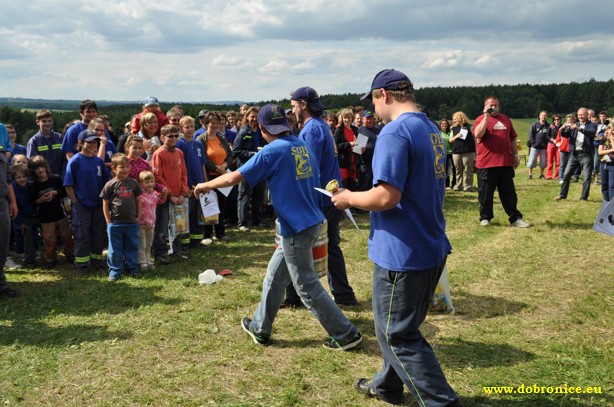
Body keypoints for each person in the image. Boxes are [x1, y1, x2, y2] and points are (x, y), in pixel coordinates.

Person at [331, 68, 459, 406]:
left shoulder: (394, 132)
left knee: (396, 334)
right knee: (401, 325)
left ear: (383, 95)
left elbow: (386, 197)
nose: (372, 111)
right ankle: (387, 385)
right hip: (429, 242)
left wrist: (348, 198)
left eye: (372, 101)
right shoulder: (429, 128)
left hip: (403, 252)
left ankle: (440, 401)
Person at [194, 104, 362, 351]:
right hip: (310, 219)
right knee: (274, 276)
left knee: (306, 285)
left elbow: (234, 177)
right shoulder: (301, 145)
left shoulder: (271, 151)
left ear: (261, 128)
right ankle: (260, 328)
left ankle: (346, 334)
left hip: (296, 226)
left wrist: (204, 186)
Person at [290, 86, 358, 307]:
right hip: (330, 194)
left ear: (303, 104)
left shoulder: (311, 131)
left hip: (318, 198)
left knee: (300, 247)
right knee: (331, 245)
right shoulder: (320, 127)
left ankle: (296, 295)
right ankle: (343, 295)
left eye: (293, 106)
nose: (292, 112)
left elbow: (307, 169)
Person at [473, 96, 529, 227]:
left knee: (509, 193)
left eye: (495, 104)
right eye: (490, 105)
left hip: (505, 162)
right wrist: (486, 116)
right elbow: (478, 134)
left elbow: (512, 139)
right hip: (486, 163)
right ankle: (485, 217)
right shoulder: (480, 119)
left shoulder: (505, 119)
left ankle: (515, 218)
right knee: (486, 193)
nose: (493, 107)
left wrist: (515, 155)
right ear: (485, 106)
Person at [64, 130, 111, 273]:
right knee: (82, 235)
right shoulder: (75, 161)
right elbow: (68, 185)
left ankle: (96, 261)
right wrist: (76, 202)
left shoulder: (98, 161)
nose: (92, 145)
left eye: (95, 142)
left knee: (98, 234)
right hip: (82, 206)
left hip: (98, 205)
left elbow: (106, 182)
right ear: (80, 143)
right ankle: (82, 265)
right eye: (89, 142)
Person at [151, 125, 189, 264]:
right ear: (162, 138)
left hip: (179, 197)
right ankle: (160, 253)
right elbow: (157, 176)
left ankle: (177, 250)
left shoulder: (179, 152)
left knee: (178, 224)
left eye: (175, 136)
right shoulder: (159, 153)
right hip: (165, 197)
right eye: (170, 136)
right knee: (162, 226)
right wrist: (170, 195)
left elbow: (184, 173)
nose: (173, 138)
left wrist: (183, 193)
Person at [100, 153, 142, 281]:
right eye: (122, 167)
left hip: (132, 223)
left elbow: (139, 201)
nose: (125, 170)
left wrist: (139, 217)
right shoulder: (110, 185)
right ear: (114, 168)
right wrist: (108, 222)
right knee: (114, 249)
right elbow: (105, 204)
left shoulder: (134, 183)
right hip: (116, 224)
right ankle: (115, 271)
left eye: (127, 166)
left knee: (132, 246)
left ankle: (132, 268)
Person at [28, 156, 74, 269]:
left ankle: (70, 254)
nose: (40, 170)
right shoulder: (34, 185)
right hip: (45, 217)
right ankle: (50, 258)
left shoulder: (56, 179)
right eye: (36, 168)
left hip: (60, 214)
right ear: (33, 171)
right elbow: (31, 201)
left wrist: (55, 193)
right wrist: (40, 200)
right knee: (49, 240)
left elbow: (65, 192)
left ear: (45, 166)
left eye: (41, 166)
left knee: (67, 236)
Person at [196, 112, 233, 244]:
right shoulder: (201, 139)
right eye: (212, 123)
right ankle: (207, 235)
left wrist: (224, 165)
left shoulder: (221, 138)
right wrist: (215, 168)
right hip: (209, 177)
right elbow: (203, 159)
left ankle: (220, 233)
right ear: (206, 124)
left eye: (217, 122)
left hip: (222, 176)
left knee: (221, 206)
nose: (215, 125)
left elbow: (230, 154)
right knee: (208, 205)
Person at [233, 106, 266, 231]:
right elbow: (236, 150)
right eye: (252, 116)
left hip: (260, 168)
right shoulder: (243, 132)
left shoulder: (262, 131)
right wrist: (252, 154)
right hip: (246, 169)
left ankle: (257, 221)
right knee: (244, 196)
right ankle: (242, 223)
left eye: (256, 116)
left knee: (258, 196)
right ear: (247, 117)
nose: (254, 119)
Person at [555, 107, 598, 202]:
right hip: (574, 154)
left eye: (582, 114)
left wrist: (579, 129)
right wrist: (562, 129)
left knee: (586, 177)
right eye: (579, 115)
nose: (580, 116)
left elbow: (591, 133)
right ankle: (562, 195)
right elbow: (566, 135)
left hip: (586, 154)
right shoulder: (575, 124)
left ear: (587, 115)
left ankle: (583, 197)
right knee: (566, 174)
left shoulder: (592, 125)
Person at [177, 116, 208, 248]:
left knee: (198, 214)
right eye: (187, 127)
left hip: (200, 184)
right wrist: (185, 185)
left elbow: (202, 165)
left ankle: (197, 240)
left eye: (192, 126)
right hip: (188, 185)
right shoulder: (180, 144)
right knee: (186, 214)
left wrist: (206, 183)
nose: (190, 129)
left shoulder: (198, 144)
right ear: (181, 129)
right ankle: (184, 242)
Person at [1, 123, 20, 298]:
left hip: (2, 201)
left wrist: (12, 202)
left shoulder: (1, 131)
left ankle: (1, 285)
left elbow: (7, 176)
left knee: (2, 242)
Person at [11, 164, 39, 268]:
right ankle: (30, 261)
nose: (22, 179)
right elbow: (15, 207)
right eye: (18, 177)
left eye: (24, 176)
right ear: (14, 179)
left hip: (34, 215)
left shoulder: (32, 186)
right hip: (23, 217)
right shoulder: (14, 190)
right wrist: (20, 222)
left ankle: (36, 253)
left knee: (35, 236)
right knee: (27, 240)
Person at [26, 109, 67, 177]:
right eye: (44, 121)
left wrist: (64, 176)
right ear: (37, 122)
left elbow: (65, 159)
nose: (47, 123)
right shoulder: (34, 141)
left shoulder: (60, 138)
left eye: (49, 121)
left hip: (60, 178)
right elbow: (32, 164)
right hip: (42, 180)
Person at [138, 171, 162, 271]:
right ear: (141, 183)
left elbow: (161, 201)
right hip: (141, 224)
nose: (150, 184)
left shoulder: (154, 194)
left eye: (152, 181)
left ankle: (148, 260)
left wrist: (163, 195)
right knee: (141, 245)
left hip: (151, 223)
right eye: (147, 182)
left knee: (149, 245)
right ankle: (142, 262)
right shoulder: (139, 195)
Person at [334, 108, 361, 191]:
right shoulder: (338, 131)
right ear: (342, 118)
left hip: (353, 163)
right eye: (345, 117)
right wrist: (349, 144)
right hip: (343, 163)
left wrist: (361, 148)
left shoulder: (355, 129)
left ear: (352, 118)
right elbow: (336, 147)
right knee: (344, 187)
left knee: (352, 187)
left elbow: (358, 144)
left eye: (349, 117)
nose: (347, 120)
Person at [449, 111, 476, 192]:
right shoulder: (452, 128)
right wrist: (457, 136)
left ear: (461, 118)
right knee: (458, 170)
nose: (454, 121)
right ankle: (458, 186)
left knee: (468, 169)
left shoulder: (470, 127)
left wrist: (476, 151)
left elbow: (475, 139)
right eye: (453, 119)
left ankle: (468, 186)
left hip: (469, 151)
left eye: (455, 119)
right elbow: (450, 140)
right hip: (456, 151)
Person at [357, 110, 381, 191]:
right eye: (367, 118)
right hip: (365, 164)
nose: (370, 120)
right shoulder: (361, 130)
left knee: (374, 186)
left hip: (376, 163)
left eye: (371, 118)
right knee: (363, 186)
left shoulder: (376, 129)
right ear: (363, 119)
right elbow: (358, 150)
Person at [526, 111, 550, 179]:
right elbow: (530, 135)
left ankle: (541, 175)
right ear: (539, 116)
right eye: (542, 115)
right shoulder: (534, 124)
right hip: (535, 147)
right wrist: (533, 143)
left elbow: (549, 136)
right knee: (532, 161)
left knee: (543, 162)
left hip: (544, 147)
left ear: (547, 117)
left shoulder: (548, 126)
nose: (543, 117)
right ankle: (530, 175)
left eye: (545, 115)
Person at [598, 124, 614, 201]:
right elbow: (600, 152)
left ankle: (611, 204)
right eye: (611, 129)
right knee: (604, 185)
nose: (612, 131)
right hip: (603, 164)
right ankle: (605, 201)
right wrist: (611, 150)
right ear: (607, 130)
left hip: (612, 165)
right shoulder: (603, 139)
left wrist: (612, 140)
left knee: (611, 185)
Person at [545, 114, 562, 180]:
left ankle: (557, 176)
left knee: (558, 161)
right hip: (551, 145)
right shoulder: (551, 126)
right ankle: (548, 175)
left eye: (558, 119)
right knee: (550, 160)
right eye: (555, 119)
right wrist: (553, 140)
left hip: (559, 145)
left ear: (560, 120)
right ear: (553, 120)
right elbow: (547, 135)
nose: (556, 120)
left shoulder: (562, 127)